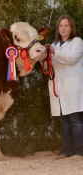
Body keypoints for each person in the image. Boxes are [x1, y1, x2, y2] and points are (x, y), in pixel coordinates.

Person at [48, 14, 83, 159]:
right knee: (65, 122)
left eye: (66, 25)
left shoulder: (77, 41)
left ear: (71, 28)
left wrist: (54, 52)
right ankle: (67, 151)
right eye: (61, 26)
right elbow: (50, 65)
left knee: (75, 120)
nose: (63, 28)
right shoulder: (54, 44)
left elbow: (71, 59)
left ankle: (80, 151)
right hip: (59, 88)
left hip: (72, 86)